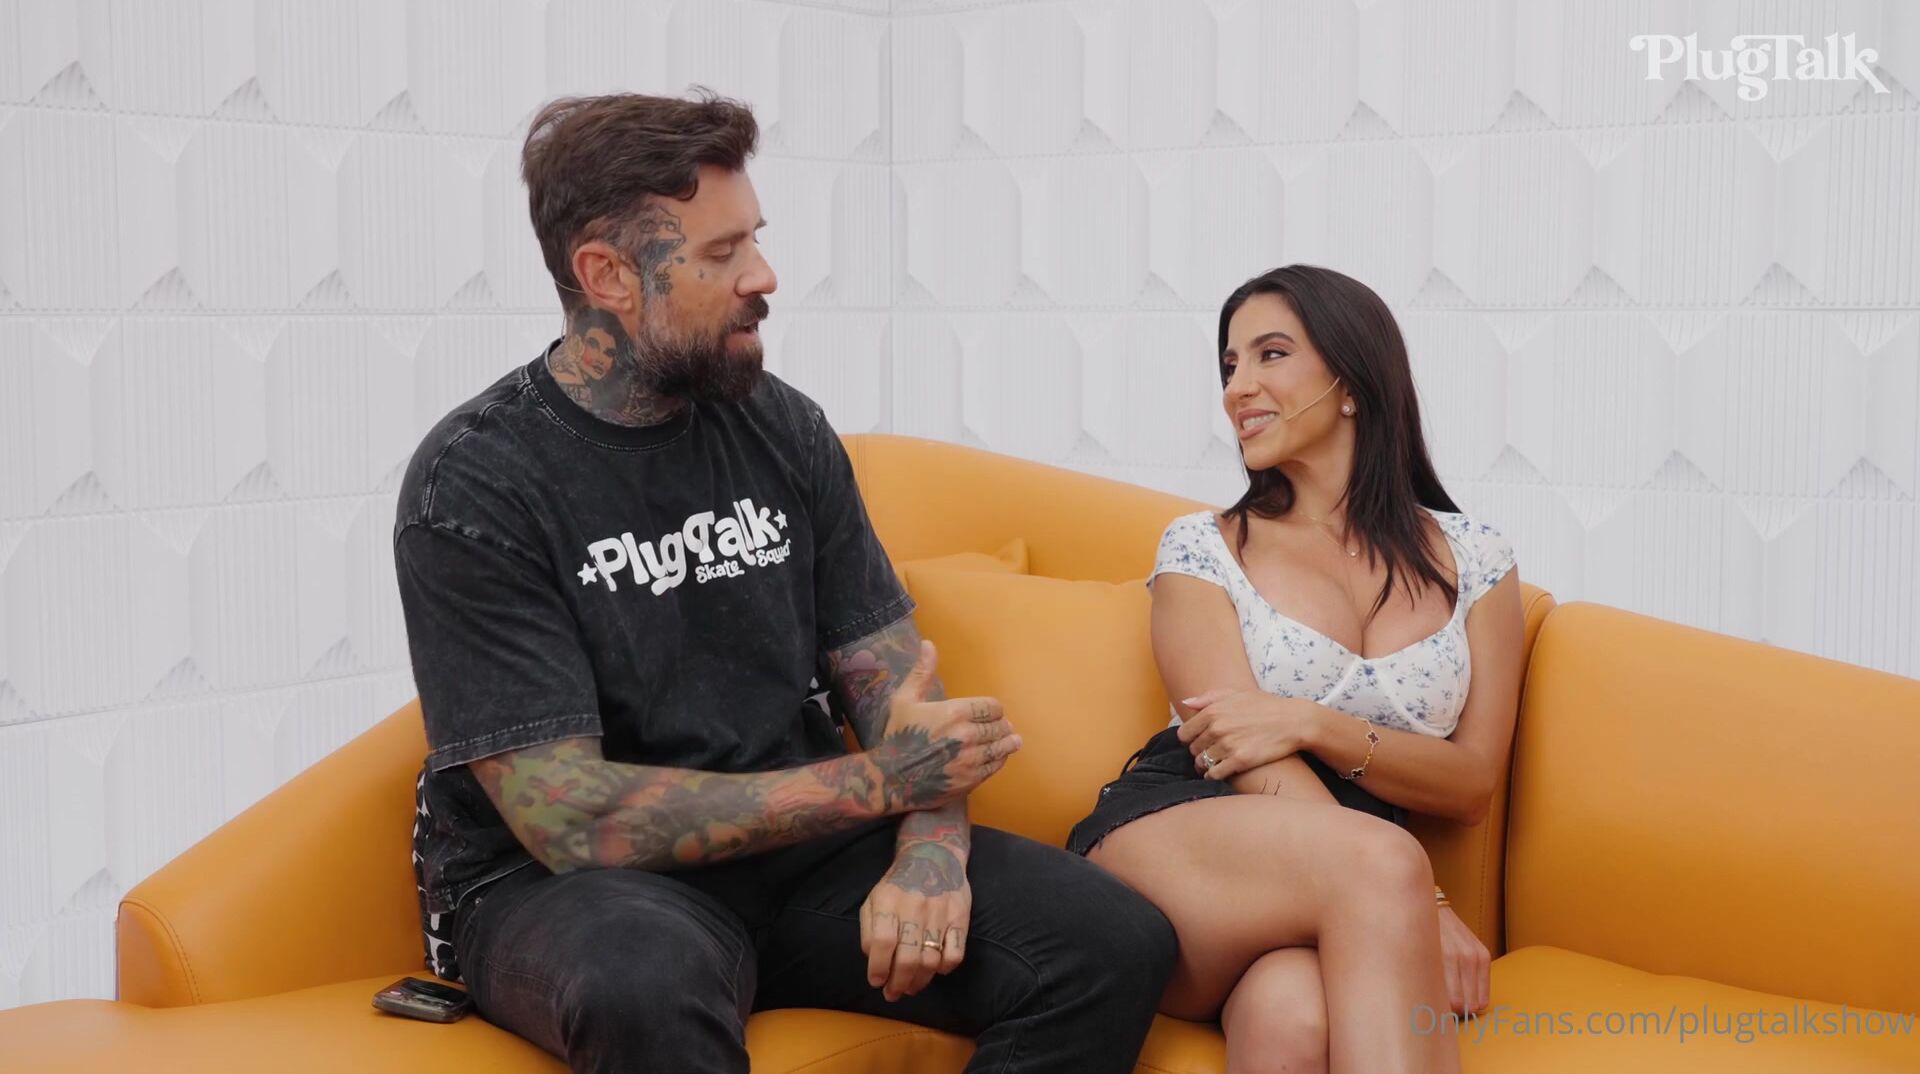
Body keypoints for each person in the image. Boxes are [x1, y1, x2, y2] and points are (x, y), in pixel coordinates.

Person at [393, 90, 1176, 1074]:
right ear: (607, 276)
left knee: (1111, 944)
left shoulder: (782, 427)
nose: (762, 276)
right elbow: (569, 819)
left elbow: (903, 705)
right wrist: (879, 784)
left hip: (799, 859)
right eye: (721, 254)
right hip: (568, 889)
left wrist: (931, 850)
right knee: (643, 986)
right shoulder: (478, 482)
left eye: (754, 239)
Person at [1066, 265, 1525, 1074]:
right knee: (1381, 861)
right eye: (1229, 365)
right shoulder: (1201, 547)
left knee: (1293, 1016)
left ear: (1351, 379)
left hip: (1336, 892)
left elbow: (1472, 785)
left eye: (1270, 354)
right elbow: (1235, 745)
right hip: (1182, 839)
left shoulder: (1478, 558)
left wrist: (1313, 722)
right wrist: (1419, 902)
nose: (1237, 388)